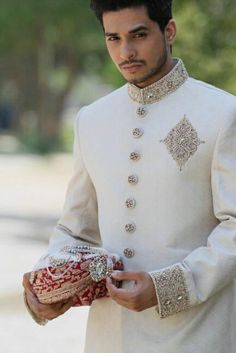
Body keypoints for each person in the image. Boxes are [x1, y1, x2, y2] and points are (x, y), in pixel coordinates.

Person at [23, 1, 236, 352]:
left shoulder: (222, 113)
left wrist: (168, 287)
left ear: (169, 31)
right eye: (113, 38)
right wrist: (49, 284)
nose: (126, 51)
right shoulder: (92, 120)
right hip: (111, 338)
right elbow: (75, 229)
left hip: (197, 333)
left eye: (138, 35)